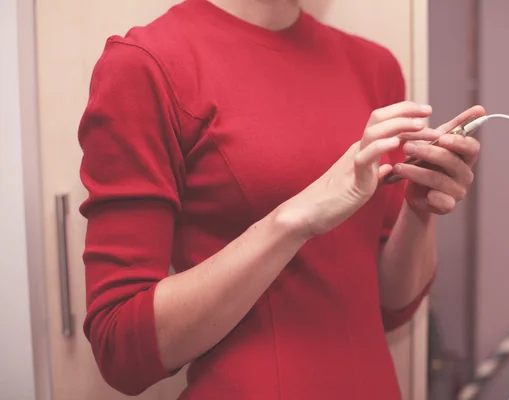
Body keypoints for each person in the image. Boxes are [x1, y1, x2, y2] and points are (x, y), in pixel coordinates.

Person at [78, 0, 484, 398]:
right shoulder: (148, 63)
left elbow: (391, 307)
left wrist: (419, 209)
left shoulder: (374, 66)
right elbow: (120, 349)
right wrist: (294, 220)